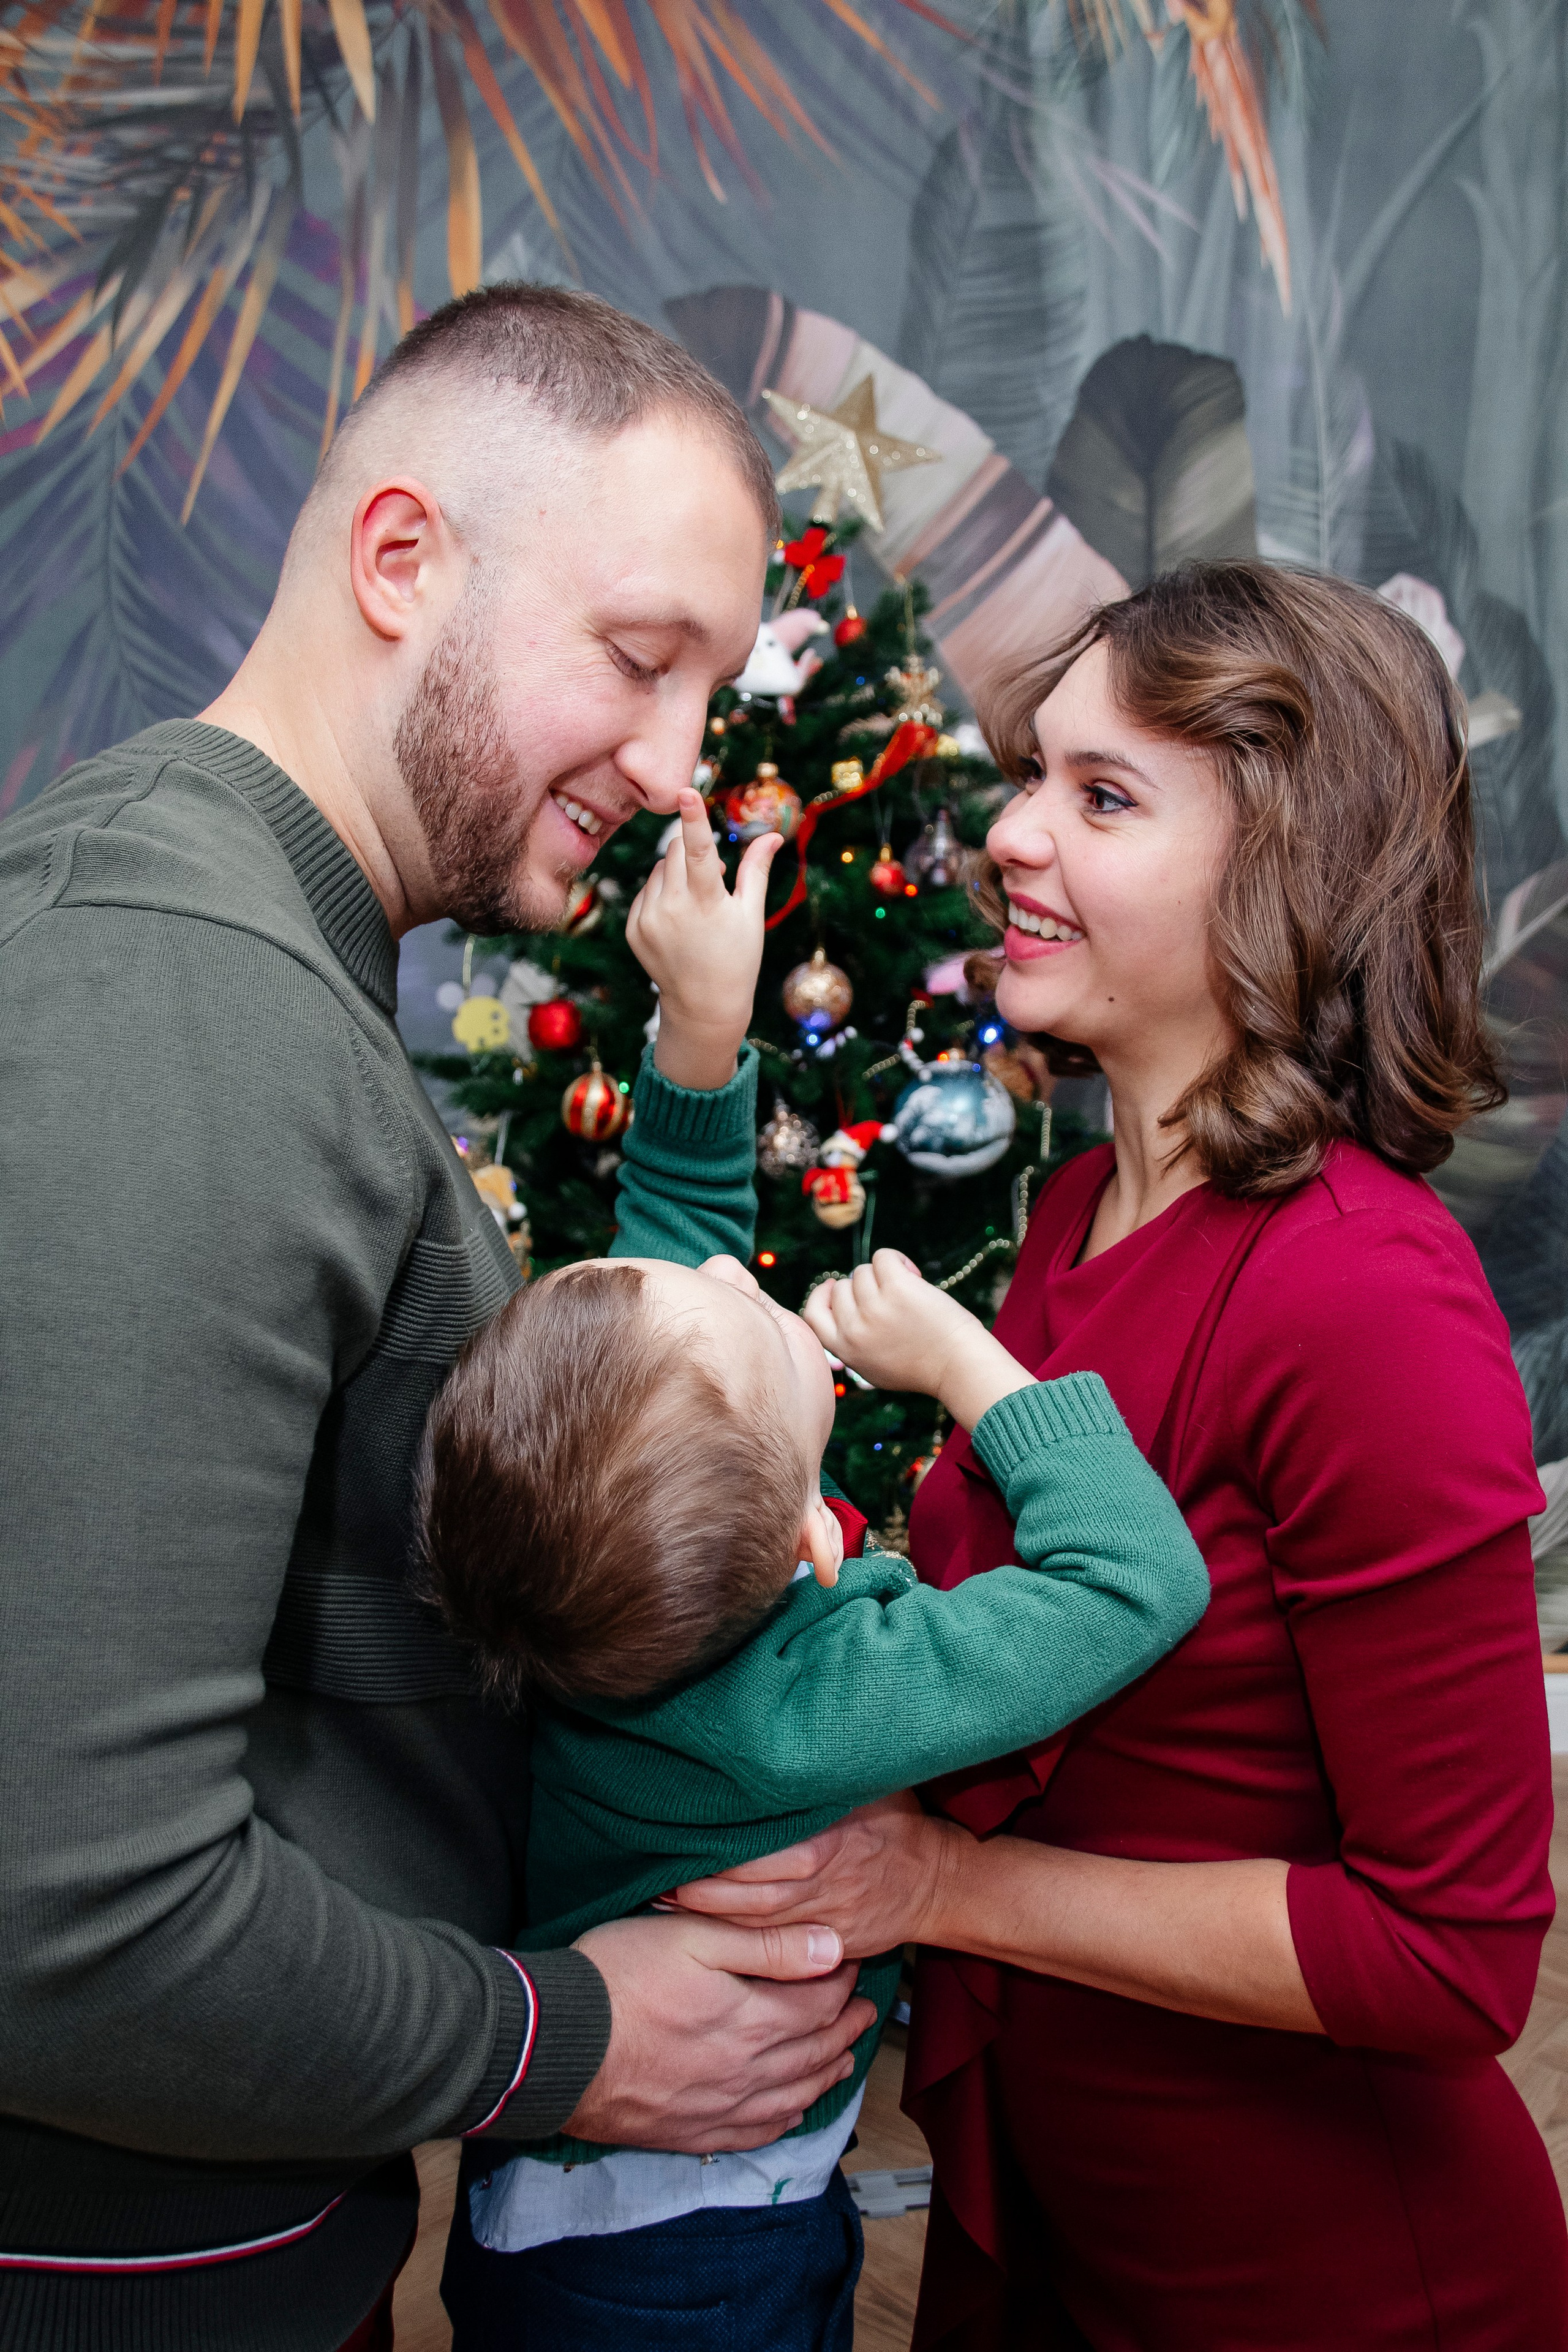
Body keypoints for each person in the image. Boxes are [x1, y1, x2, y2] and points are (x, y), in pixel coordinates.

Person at [0, 285, 876, 2352]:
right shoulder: (172, 999)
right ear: (402, 560)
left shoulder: (255, 952)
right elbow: (65, 1913)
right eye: (639, 662)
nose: (679, 769)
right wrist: (561, 2042)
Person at [676, 562, 1568, 2351]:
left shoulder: (1370, 1299)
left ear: (1285, 866)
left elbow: (1449, 1952)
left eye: (1101, 796)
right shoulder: (1081, 1204)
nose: (1007, 834)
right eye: (1030, 776)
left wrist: (942, 1886)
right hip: (1070, 2220)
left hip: (1324, 2285)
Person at [414, 1246, 1208, 2348]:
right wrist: (964, 1362)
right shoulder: (815, 1696)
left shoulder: (573, 1588)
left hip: (552, 2202)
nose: (734, 1265)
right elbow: (1135, 1576)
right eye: (757, 1315)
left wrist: (697, 1073)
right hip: (701, 2246)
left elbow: (648, 1362)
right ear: (817, 1542)